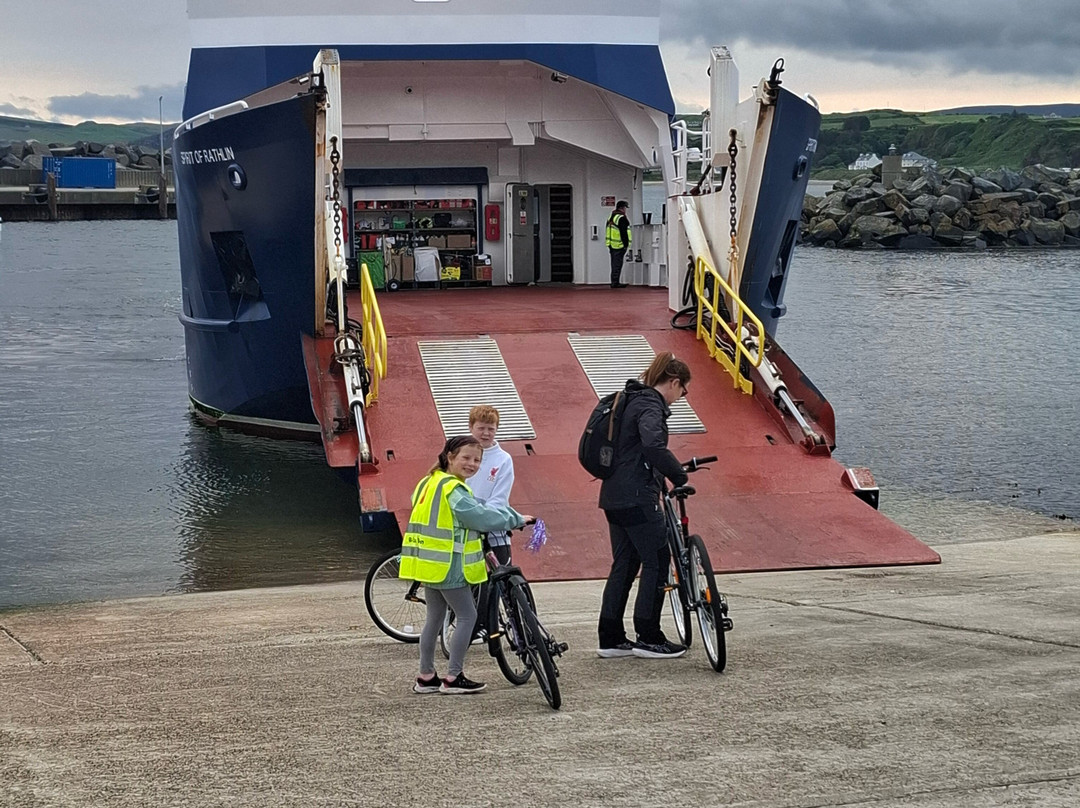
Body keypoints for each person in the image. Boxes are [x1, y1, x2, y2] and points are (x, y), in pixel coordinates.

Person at [400, 435, 532, 694]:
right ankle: (454, 677)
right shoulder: (454, 489)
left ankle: (426, 676)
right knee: (467, 616)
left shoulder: (429, 482)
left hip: (429, 564)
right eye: (466, 458)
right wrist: (514, 518)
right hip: (449, 564)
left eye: (477, 460)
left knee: (434, 619)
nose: (472, 464)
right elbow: (479, 517)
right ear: (450, 457)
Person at [596, 352, 692, 659]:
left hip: (613, 495)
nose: (681, 397)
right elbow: (653, 446)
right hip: (638, 498)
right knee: (657, 560)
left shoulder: (629, 401)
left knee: (624, 564)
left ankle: (610, 638)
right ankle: (649, 636)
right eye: (683, 390)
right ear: (674, 382)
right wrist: (678, 476)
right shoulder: (651, 405)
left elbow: (630, 451)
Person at [605, 200, 632, 288]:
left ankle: (614, 281)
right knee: (617, 264)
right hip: (619, 245)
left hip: (612, 244)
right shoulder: (621, 218)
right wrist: (626, 244)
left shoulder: (611, 217)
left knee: (614, 264)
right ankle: (615, 283)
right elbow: (624, 233)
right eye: (625, 208)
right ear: (623, 208)